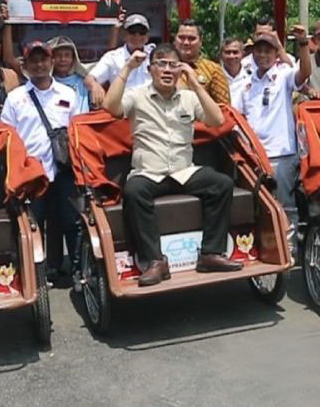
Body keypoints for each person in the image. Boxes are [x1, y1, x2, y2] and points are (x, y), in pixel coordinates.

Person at [102, 44, 242, 286]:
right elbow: (110, 107)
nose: (167, 70)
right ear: (150, 70)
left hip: (183, 171)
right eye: (161, 64)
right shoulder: (137, 95)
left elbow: (217, 120)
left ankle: (210, 253)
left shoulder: (189, 97)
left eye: (173, 65)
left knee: (222, 184)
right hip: (148, 173)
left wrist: (196, 84)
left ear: (181, 70)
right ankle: (155, 261)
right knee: (134, 192)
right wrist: (127, 68)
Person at [1, 41, 80, 282]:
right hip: (32, 173)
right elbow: (7, 136)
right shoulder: (15, 98)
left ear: (52, 62)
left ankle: (77, 270)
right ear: (25, 66)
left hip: (63, 170)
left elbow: (77, 133)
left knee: (70, 221)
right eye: (33, 60)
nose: (39, 65)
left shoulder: (68, 94)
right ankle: (36, 274)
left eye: (43, 59)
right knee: (34, 224)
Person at [237, 29, 311, 256]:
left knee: (285, 204)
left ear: (276, 54)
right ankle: (265, 248)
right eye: (259, 50)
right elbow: (238, 118)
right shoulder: (245, 83)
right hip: (254, 156)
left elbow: (305, 73)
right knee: (258, 206)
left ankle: (289, 250)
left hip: (282, 154)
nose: (263, 55)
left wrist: (303, 44)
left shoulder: (284, 75)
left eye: (268, 51)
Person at [85, 13, 155, 108]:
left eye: (142, 32)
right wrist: (94, 85)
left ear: (148, 37)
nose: (137, 36)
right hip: (122, 109)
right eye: (132, 31)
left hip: (150, 107)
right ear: (124, 35)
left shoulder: (155, 55)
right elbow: (89, 79)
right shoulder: (113, 57)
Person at [174, 19, 231, 105]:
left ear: (200, 41)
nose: (185, 42)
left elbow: (225, 108)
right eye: (181, 37)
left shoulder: (213, 70)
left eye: (191, 39)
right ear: (175, 39)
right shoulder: (166, 67)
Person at [47, 35, 90, 115]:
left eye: (67, 55)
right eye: (58, 55)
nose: (63, 59)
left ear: (73, 58)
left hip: (81, 125)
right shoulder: (46, 84)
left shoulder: (84, 81)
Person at [219, 37, 250, 104]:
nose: (231, 56)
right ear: (221, 55)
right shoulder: (215, 77)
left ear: (243, 54)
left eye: (235, 52)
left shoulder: (251, 78)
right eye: (227, 52)